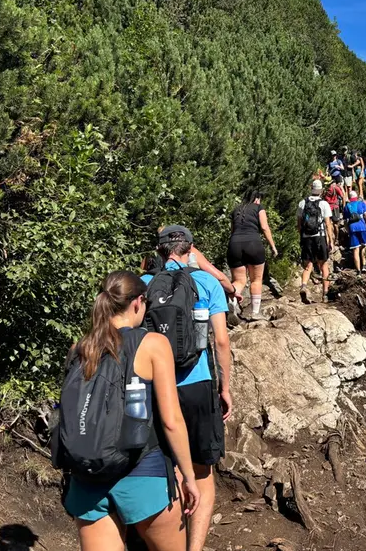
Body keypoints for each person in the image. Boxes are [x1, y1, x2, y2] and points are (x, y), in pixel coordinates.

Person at [62, 271, 200, 551]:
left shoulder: (80, 347)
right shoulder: (151, 344)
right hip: (142, 473)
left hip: (88, 478)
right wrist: (189, 476)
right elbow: (171, 420)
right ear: (138, 302)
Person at [142, 227, 231, 551]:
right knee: (202, 476)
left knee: (172, 468)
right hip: (198, 384)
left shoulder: (146, 285)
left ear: (160, 250)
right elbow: (221, 340)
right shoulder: (206, 282)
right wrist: (225, 388)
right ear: (190, 249)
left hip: (156, 389)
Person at [142, 229, 240, 305]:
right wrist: (232, 291)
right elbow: (219, 277)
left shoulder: (148, 257)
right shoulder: (189, 250)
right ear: (189, 247)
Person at [227, 190, 278, 318]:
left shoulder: (235, 210)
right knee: (256, 279)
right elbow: (265, 227)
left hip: (235, 244)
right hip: (253, 243)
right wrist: (273, 246)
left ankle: (231, 301)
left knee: (239, 280)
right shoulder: (258, 207)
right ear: (256, 199)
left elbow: (232, 231)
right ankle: (255, 313)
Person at [297, 179, 334, 304]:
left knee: (308, 266)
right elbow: (328, 223)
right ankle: (325, 294)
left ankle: (303, 286)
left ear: (311, 188)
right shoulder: (323, 204)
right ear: (321, 190)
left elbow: (299, 223)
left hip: (307, 237)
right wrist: (330, 240)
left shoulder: (302, 203)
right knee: (323, 265)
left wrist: (301, 237)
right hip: (320, 237)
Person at [344, 190, 366, 275]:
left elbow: (345, 222)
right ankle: (364, 266)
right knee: (363, 246)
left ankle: (358, 271)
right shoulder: (362, 203)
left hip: (353, 228)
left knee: (355, 249)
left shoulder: (347, 206)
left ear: (349, 198)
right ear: (356, 197)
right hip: (362, 227)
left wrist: (348, 231)